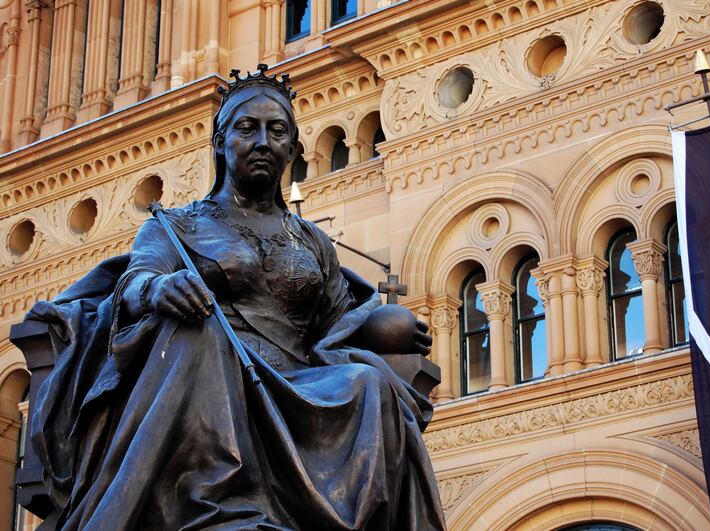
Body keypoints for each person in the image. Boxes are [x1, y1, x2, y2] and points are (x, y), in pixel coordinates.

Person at [27, 66, 446, 530]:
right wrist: (162, 288)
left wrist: (378, 325)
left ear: (293, 149)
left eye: (277, 131)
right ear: (220, 145)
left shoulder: (310, 241)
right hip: (212, 373)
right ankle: (214, 503)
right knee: (200, 332)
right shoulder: (178, 224)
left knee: (371, 386)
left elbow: (336, 321)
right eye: (247, 129)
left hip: (296, 380)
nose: (263, 141)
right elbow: (134, 283)